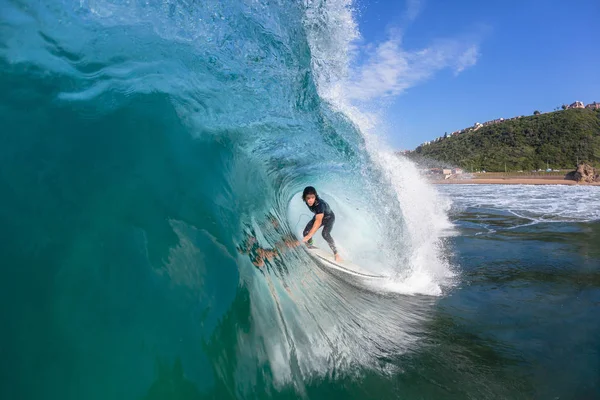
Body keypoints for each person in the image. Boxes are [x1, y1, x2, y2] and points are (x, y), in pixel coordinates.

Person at [301, 186, 342, 262]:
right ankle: (311, 245)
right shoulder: (308, 202)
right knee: (305, 233)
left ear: (315, 196)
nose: (310, 200)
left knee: (325, 234)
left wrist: (309, 235)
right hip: (319, 215)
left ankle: (336, 253)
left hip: (329, 218)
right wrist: (308, 236)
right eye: (308, 198)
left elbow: (318, 221)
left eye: (312, 197)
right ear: (304, 198)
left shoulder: (319, 205)